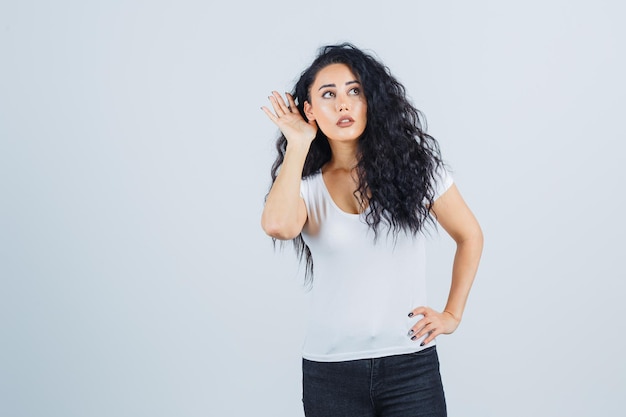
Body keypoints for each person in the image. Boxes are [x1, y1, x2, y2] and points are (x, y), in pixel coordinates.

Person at [260, 43, 483, 417]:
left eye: (354, 91)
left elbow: (469, 235)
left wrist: (451, 315)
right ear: (309, 110)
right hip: (330, 373)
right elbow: (279, 227)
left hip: (410, 366)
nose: (343, 104)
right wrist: (298, 144)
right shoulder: (304, 186)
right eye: (328, 95)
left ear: (370, 101)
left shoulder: (416, 172)